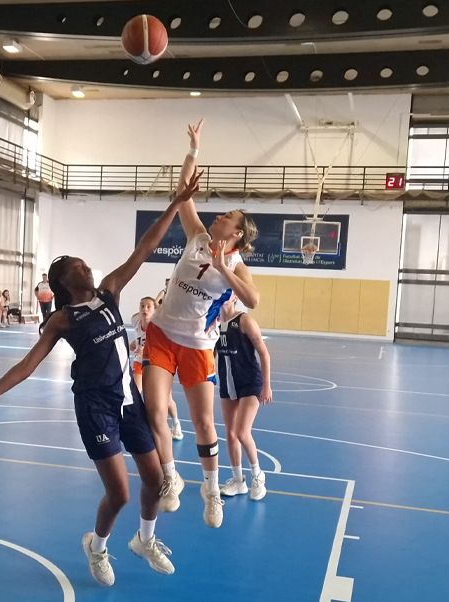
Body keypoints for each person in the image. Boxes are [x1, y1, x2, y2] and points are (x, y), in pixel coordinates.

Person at [0, 170, 202, 587]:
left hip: (128, 402)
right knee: (119, 493)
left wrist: (175, 203)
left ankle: (144, 540)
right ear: (66, 280)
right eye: (79, 266)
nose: (87, 266)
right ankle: (96, 547)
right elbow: (26, 367)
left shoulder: (111, 292)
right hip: (95, 407)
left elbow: (146, 246)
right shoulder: (62, 320)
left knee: (156, 481)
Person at [142, 118, 260, 529]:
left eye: (227, 216)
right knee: (154, 409)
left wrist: (225, 270)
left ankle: (212, 492)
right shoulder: (195, 236)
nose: (218, 216)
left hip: (196, 344)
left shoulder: (238, 263)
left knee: (203, 423)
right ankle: (170, 479)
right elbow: (184, 190)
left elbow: (253, 299)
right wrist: (193, 149)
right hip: (160, 332)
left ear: (238, 233)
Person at [215, 294, 272, 501]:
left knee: (241, 432)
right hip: (228, 383)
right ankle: (238, 481)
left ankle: (258, 475)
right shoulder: (213, 322)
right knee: (230, 434)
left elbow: (264, 353)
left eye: (227, 293)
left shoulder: (245, 321)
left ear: (235, 296)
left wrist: (267, 385)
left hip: (250, 384)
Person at [131, 296, 183, 441]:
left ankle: (176, 423)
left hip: (157, 364)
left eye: (148, 306)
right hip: (140, 362)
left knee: (166, 400)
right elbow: (137, 337)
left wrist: (147, 348)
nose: (144, 309)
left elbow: (166, 346)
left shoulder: (160, 326)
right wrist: (134, 344)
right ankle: (142, 426)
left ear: (155, 310)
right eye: (142, 306)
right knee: (135, 393)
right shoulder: (136, 321)